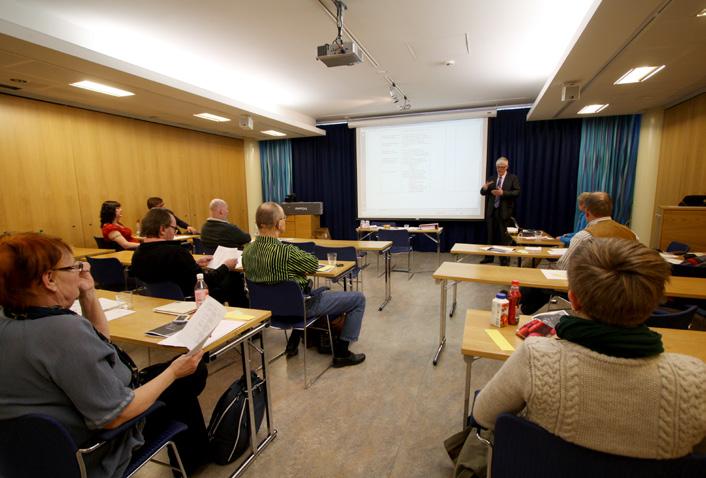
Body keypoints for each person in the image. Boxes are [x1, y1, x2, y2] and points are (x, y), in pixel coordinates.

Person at [448, 238, 706, 478]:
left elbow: (482, 415)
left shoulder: (537, 358)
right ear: (654, 303)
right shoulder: (695, 380)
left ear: (573, 297)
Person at [0, 233, 209, 477]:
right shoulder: (63, 331)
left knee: (177, 378)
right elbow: (116, 415)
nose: (80, 272)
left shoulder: (11, 319)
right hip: (96, 447)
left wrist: (88, 294)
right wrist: (174, 372)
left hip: (27, 455)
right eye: (74, 267)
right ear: (49, 279)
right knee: (184, 381)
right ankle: (195, 463)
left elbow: (98, 345)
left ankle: (196, 455)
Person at [242, 202, 366, 367]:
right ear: (279, 223)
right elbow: (313, 264)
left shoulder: (247, 251)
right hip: (299, 309)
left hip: (266, 312)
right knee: (358, 299)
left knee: (319, 291)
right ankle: (342, 353)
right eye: (284, 218)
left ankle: (295, 341)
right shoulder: (286, 252)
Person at [521, 191, 639, 314]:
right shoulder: (631, 234)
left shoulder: (584, 236)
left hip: (589, 290)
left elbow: (563, 267)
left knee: (534, 284)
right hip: (623, 292)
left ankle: (520, 308)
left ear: (587, 213)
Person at [131, 207, 246, 306]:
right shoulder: (176, 253)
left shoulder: (138, 253)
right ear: (162, 229)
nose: (175, 233)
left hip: (155, 304)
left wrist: (195, 264)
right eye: (174, 229)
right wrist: (226, 266)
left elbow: (172, 274)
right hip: (189, 303)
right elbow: (205, 283)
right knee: (233, 281)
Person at [479, 157, 520, 265]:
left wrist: (503, 193)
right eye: (498, 167)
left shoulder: (512, 178)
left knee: (504, 237)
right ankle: (488, 257)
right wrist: (484, 188)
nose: (499, 169)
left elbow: (517, 192)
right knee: (490, 236)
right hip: (492, 211)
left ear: (507, 167)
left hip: (505, 212)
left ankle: (504, 260)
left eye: (502, 167)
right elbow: (483, 193)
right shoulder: (492, 178)